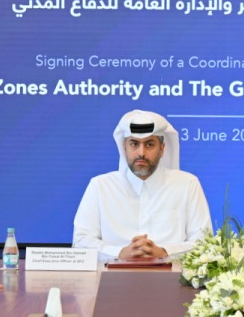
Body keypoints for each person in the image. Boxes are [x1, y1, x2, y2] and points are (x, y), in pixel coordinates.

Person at [72, 110, 212, 259]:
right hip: (112, 279)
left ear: (162, 149)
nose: (141, 153)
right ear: (124, 147)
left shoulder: (187, 184)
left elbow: (204, 244)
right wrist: (119, 253)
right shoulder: (100, 186)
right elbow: (81, 242)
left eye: (150, 144)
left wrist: (164, 252)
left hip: (171, 280)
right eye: (134, 144)